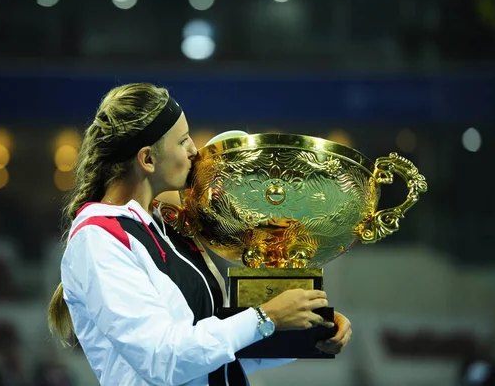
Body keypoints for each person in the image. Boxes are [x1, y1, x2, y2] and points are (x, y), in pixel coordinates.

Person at [47, 83, 353, 386]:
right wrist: (264, 318)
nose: (195, 150)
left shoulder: (165, 227)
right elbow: (162, 358)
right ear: (148, 160)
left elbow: (218, 353)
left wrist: (312, 328)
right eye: (182, 141)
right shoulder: (99, 239)